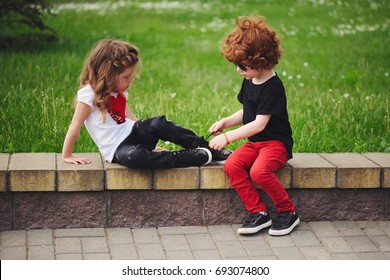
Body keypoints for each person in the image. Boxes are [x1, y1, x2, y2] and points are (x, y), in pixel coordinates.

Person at [62, 39, 231, 169]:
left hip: (133, 133)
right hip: (118, 149)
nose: (131, 80)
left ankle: (208, 148)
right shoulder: (89, 94)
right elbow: (75, 125)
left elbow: (129, 118)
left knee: (159, 123)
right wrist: (67, 154)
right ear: (108, 75)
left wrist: (148, 142)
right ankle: (185, 157)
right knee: (135, 157)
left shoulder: (119, 91)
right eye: (126, 77)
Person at [208, 16, 299, 236]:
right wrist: (225, 122)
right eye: (237, 65)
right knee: (232, 165)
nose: (239, 70)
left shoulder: (273, 87)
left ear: (260, 61)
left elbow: (259, 123)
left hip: (275, 144)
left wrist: (228, 137)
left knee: (259, 172)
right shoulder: (250, 79)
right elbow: (247, 113)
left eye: (243, 65)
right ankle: (258, 212)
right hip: (255, 143)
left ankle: (288, 212)